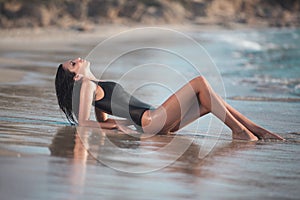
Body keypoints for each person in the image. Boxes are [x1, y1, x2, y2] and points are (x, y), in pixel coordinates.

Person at [55, 57, 284, 141]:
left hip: (157, 123)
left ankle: (253, 129)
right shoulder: (86, 84)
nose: (77, 59)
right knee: (200, 82)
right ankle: (242, 131)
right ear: (75, 77)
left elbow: (101, 114)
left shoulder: (94, 87)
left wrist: (112, 125)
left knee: (207, 101)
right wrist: (117, 125)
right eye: (73, 64)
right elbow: (84, 122)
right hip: (151, 120)